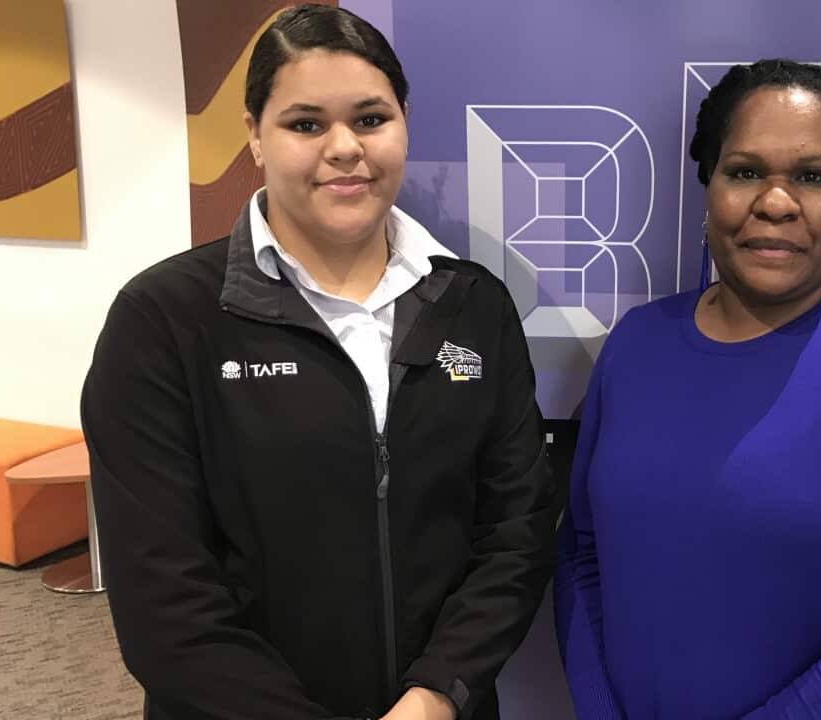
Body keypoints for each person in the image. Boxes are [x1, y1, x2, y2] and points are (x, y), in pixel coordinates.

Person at [81, 6, 558, 719]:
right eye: (305, 124)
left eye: (370, 119)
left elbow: (515, 528)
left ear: (404, 121)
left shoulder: (474, 305)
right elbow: (164, 599)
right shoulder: (165, 320)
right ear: (254, 136)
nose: (345, 148)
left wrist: (438, 692)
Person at [554, 59, 821, 720]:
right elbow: (582, 557)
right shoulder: (636, 343)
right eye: (746, 171)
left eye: (812, 176)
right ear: (710, 187)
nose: (776, 201)